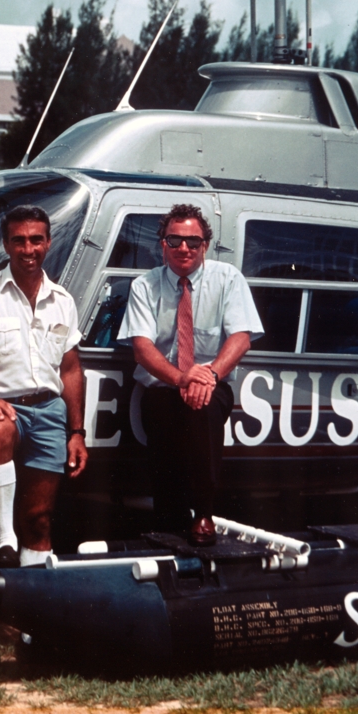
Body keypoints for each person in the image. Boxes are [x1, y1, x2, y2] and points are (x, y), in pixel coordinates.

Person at [118, 204, 263, 545]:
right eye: (176, 240)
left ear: (205, 246)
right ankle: (168, 523)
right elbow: (142, 347)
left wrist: (207, 376)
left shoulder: (228, 279)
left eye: (193, 242)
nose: (184, 248)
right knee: (161, 416)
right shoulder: (144, 286)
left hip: (213, 382)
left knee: (203, 410)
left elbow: (241, 337)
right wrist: (182, 379)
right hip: (164, 384)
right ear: (162, 244)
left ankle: (203, 513)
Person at [0, 205, 87, 569]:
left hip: (48, 412)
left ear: (48, 243)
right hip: (3, 405)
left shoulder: (63, 301)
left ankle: (31, 619)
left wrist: (77, 432)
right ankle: (4, 538)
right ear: (6, 244)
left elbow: (72, 370)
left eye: (36, 240)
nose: (28, 249)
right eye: (19, 241)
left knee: (40, 519)